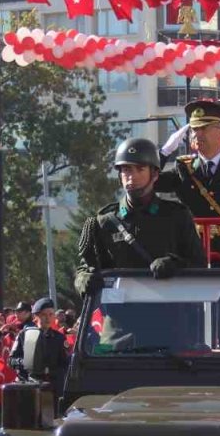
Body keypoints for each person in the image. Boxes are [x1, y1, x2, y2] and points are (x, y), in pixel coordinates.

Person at [75, 137, 206, 348]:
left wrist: (174, 263)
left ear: (154, 174)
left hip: (169, 331)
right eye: (126, 169)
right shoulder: (103, 222)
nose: (131, 176)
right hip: (119, 332)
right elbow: (86, 267)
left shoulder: (176, 216)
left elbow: (199, 264)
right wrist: (84, 279)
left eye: (139, 169)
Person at [157, 100, 220, 267]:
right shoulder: (184, 168)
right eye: (193, 129)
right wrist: (164, 153)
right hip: (191, 255)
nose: (197, 134)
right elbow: (149, 183)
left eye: (203, 128)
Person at [11, 298, 70, 394]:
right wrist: (27, 362)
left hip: (52, 387)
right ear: (35, 316)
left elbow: (65, 363)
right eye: (44, 315)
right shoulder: (24, 335)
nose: (48, 318)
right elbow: (11, 360)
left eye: (51, 314)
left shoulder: (59, 338)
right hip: (30, 385)